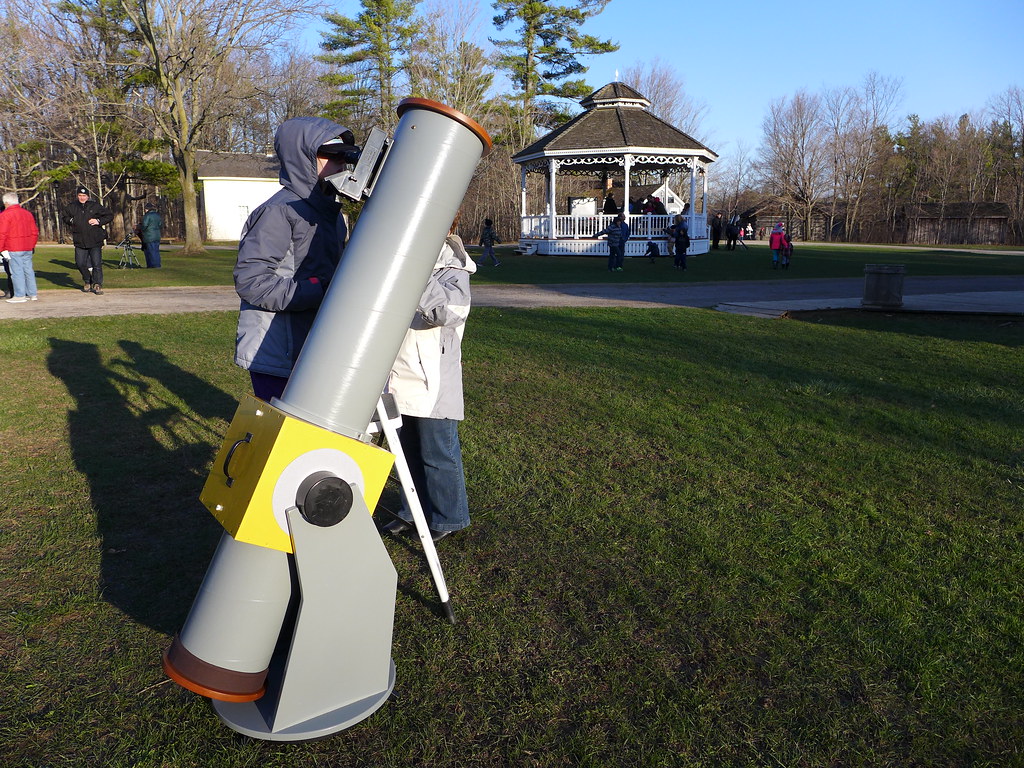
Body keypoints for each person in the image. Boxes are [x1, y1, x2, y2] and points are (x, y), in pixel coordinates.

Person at [233, 116, 357, 402]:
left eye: (344, 157)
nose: (342, 164)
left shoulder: (331, 213)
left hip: (314, 349)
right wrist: (325, 290)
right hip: (279, 351)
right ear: (303, 157)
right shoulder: (279, 212)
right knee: (287, 443)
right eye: (331, 155)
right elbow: (253, 282)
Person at [383, 227, 475, 543]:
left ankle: (448, 517)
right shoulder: (393, 255)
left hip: (431, 378)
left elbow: (449, 312)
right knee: (405, 450)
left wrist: (414, 274)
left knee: (437, 452)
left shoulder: (454, 266)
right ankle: (414, 510)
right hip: (394, 373)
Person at [63, 186, 113, 295]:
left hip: (94, 240)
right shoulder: (72, 207)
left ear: (88, 196)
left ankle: (97, 284)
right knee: (80, 263)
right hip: (80, 241)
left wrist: (98, 221)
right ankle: (87, 280)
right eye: (80, 195)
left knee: (96, 264)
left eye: (84, 195)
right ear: (77, 196)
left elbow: (109, 215)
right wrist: (71, 220)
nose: (82, 198)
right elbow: (65, 217)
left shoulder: (95, 206)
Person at [0, 192, 39, 303]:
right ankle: (32, 294)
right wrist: (31, 245)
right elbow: (34, 232)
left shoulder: (5, 215)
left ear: (6, 203)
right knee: (28, 270)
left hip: (13, 247)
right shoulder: (27, 214)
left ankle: (20, 295)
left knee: (16, 272)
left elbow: (2, 233)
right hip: (27, 247)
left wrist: (1, 249)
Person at [138, 203, 163, 268]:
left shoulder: (147, 216)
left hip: (149, 236)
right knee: (156, 251)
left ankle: (152, 265)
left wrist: (140, 228)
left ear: (147, 209)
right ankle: (157, 264)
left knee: (151, 252)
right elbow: (161, 225)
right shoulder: (158, 215)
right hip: (157, 236)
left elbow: (144, 226)